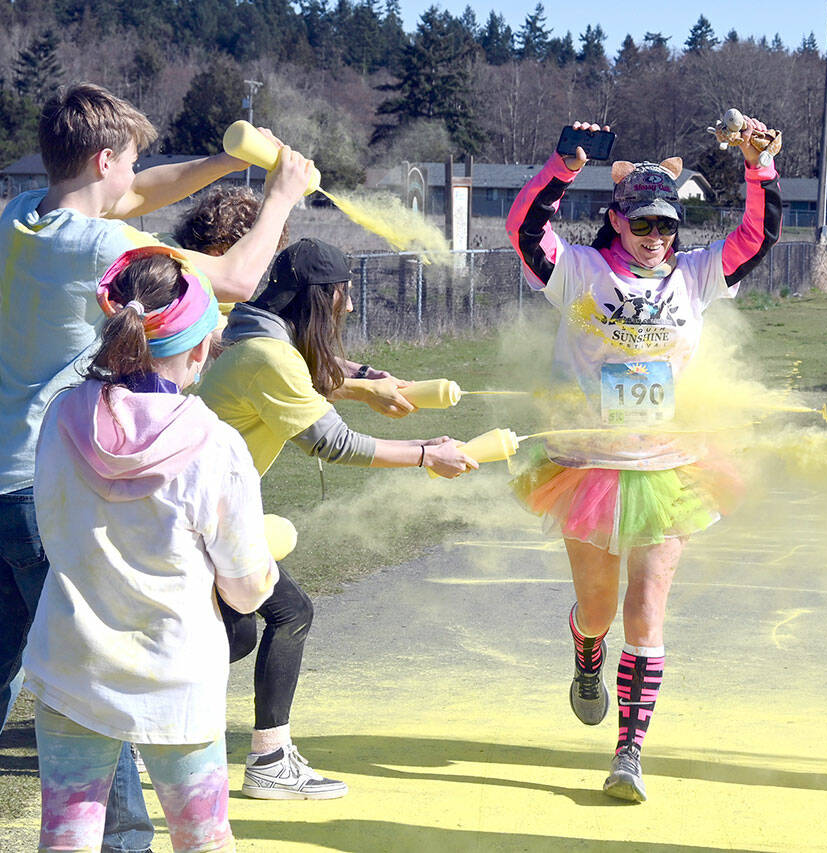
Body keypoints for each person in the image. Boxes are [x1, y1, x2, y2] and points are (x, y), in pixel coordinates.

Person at [0, 82, 308, 853]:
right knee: (99, 679)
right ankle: (127, 840)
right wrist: (279, 197)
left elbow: (136, 192)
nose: (138, 177)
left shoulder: (23, 213)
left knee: (17, 663)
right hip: (51, 479)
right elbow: (230, 282)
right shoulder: (102, 250)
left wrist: (224, 161)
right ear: (104, 159)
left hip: (6, 478)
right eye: (131, 160)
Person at [504, 118, 781, 801]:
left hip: (669, 465)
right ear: (616, 220)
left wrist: (760, 168)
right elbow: (524, 231)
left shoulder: (697, 274)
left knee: (647, 609)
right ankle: (586, 649)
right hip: (587, 464)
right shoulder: (580, 271)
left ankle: (629, 751)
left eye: (666, 225)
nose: (655, 236)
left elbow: (757, 236)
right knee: (600, 609)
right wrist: (563, 167)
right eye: (642, 223)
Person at [195, 237, 476, 799]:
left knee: (236, 632)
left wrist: (370, 380)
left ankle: (145, 725)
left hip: (206, 511)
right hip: (208, 516)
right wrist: (427, 455)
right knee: (288, 614)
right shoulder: (269, 357)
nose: (348, 305)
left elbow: (310, 368)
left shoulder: (249, 329)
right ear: (319, 297)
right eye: (342, 294)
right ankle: (268, 760)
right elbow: (333, 443)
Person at [25, 247, 277, 853]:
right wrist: (266, 562)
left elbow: (52, 520)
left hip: (71, 663)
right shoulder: (216, 445)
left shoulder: (61, 415)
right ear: (200, 349)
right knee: (202, 840)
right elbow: (246, 588)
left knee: (66, 840)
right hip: (176, 675)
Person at [172, 187, 415, 419]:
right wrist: (364, 389)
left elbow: (286, 359)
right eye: (258, 259)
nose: (262, 270)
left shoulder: (207, 285)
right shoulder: (180, 288)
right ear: (220, 251)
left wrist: (362, 373)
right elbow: (275, 369)